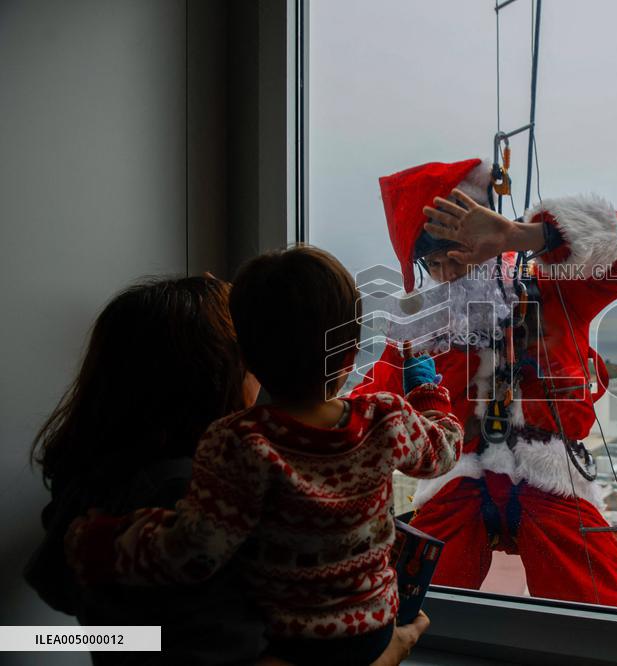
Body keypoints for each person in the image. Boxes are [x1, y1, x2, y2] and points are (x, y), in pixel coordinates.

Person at [65, 247, 463, 666]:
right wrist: (428, 397)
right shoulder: (386, 419)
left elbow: (195, 547)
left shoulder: (239, 442)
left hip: (292, 640)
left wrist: (105, 542)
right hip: (372, 629)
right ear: (349, 355)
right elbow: (444, 450)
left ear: (246, 359)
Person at [356, 157, 617, 608]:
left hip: (551, 473)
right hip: (457, 478)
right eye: (434, 263)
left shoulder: (553, 285)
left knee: (605, 614)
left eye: (458, 253)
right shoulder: (421, 326)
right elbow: (375, 398)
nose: (449, 272)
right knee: (409, 605)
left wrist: (524, 235)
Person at [27, 276, 269, 664]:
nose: (263, 370)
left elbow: (60, 587)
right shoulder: (183, 496)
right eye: (253, 356)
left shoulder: (97, 474)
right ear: (216, 374)